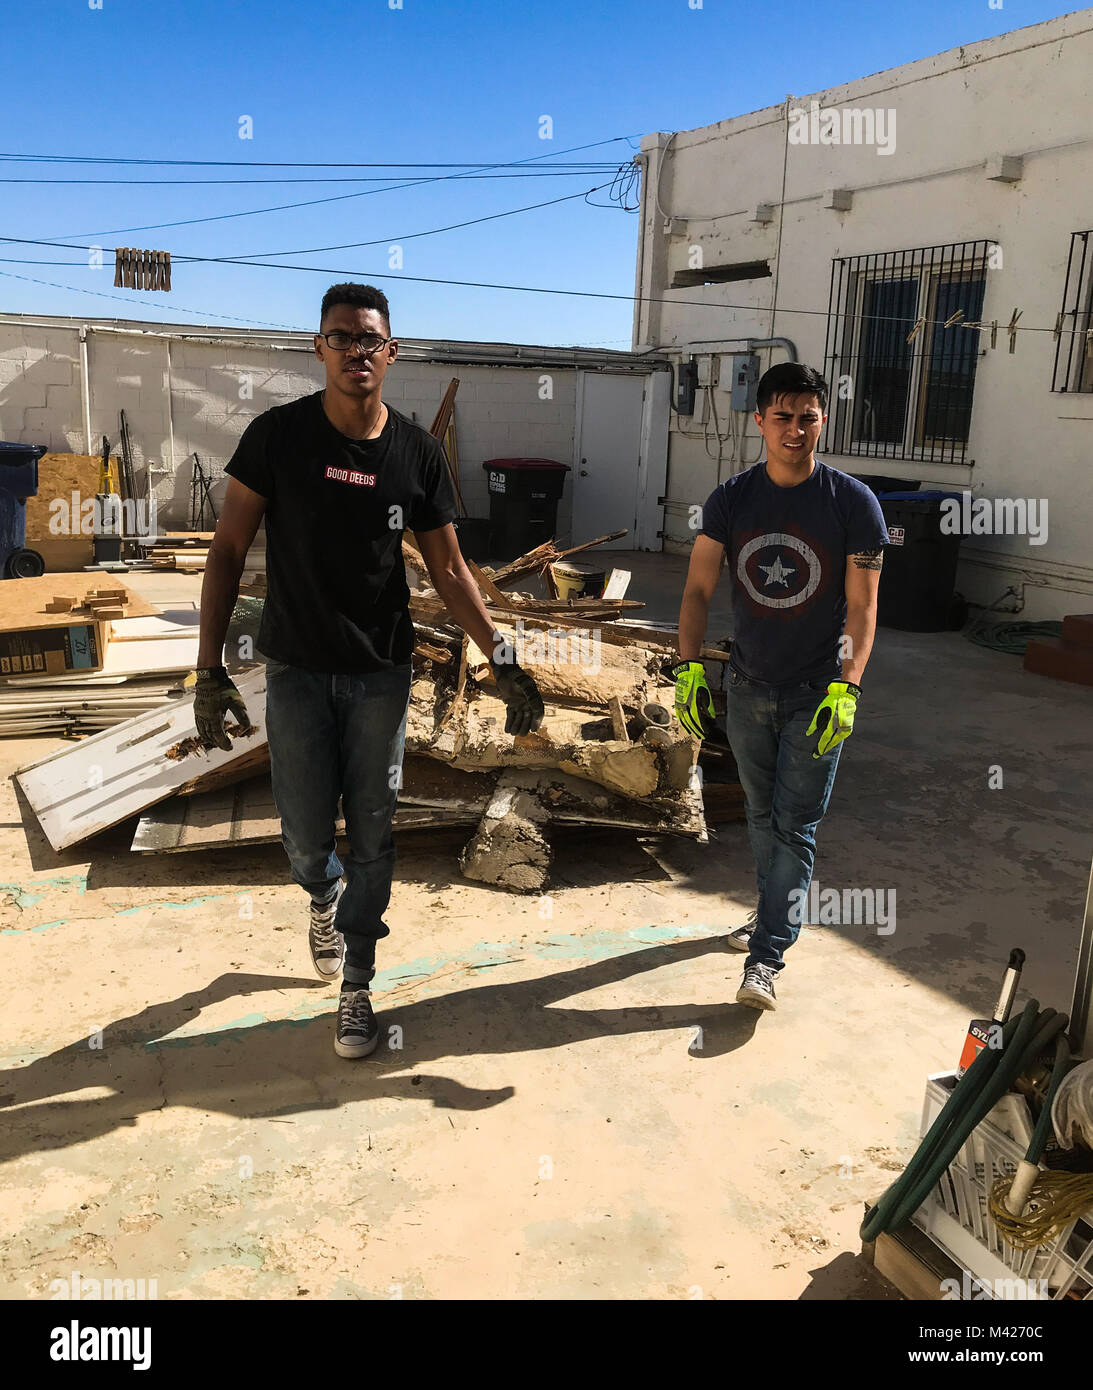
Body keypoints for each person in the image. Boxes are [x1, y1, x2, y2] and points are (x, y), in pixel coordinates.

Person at [193, 283, 544, 1058]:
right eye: (341, 336)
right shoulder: (277, 438)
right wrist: (206, 669)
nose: (357, 350)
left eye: (370, 339)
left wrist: (506, 660)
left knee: (377, 835)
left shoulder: (415, 453)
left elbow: (452, 571)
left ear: (392, 352)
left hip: (380, 673)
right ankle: (320, 897)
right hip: (294, 670)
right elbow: (225, 551)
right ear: (319, 347)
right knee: (302, 833)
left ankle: (358, 983)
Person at [673, 361, 888, 1012]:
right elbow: (696, 589)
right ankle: (771, 911)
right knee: (761, 817)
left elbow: (861, 608)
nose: (795, 429)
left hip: (816, 694)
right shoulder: (731, 499)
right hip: (746, 686)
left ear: (823, 420)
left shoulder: (852, 504)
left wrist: (847, 686)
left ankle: (765, 956)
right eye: (783, 417)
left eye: (808, 417)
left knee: (795, 826)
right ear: (759, 419)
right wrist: (688, 666)